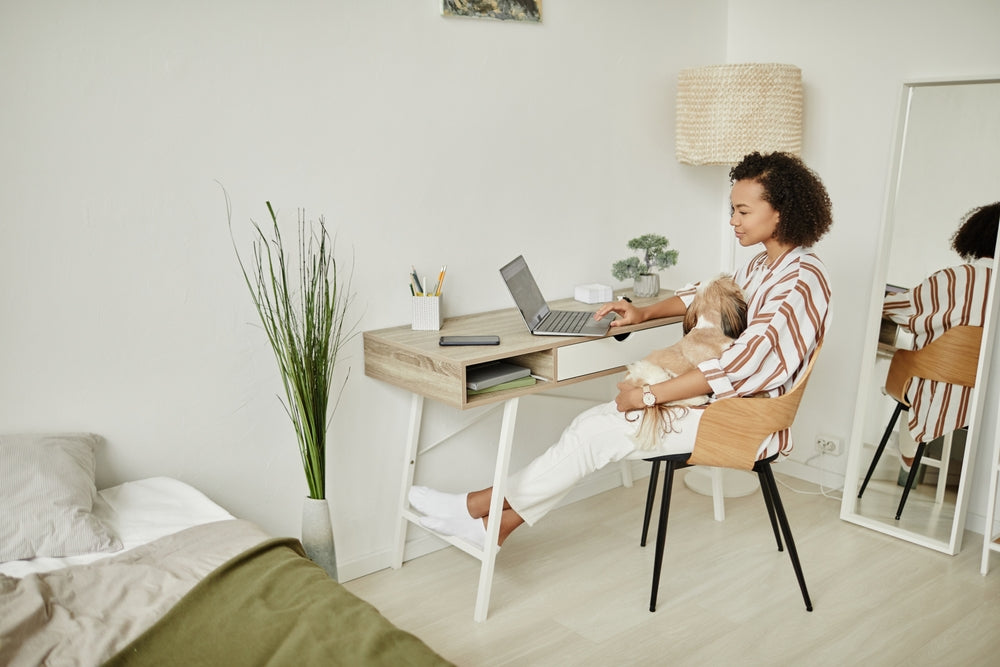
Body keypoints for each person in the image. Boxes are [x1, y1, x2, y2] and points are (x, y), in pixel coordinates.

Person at [410, 151, 833, 550]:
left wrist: (649, 395)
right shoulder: (763, 265)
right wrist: (643, 313)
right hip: (721, 403)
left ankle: (474, 508)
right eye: (731, 211)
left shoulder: (800, 279)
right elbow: (705, 294)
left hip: (744, 420)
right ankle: (494, 525)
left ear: (781, 212)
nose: (733, 222)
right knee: (591, 427)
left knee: (593, 432)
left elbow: (745, 365)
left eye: (743, 212)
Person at [882, 201, 1000, 468]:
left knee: (915, 375)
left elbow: (893, 309)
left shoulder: (951, 278)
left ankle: (910, 453)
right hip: (989, 401)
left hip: (934, 390)